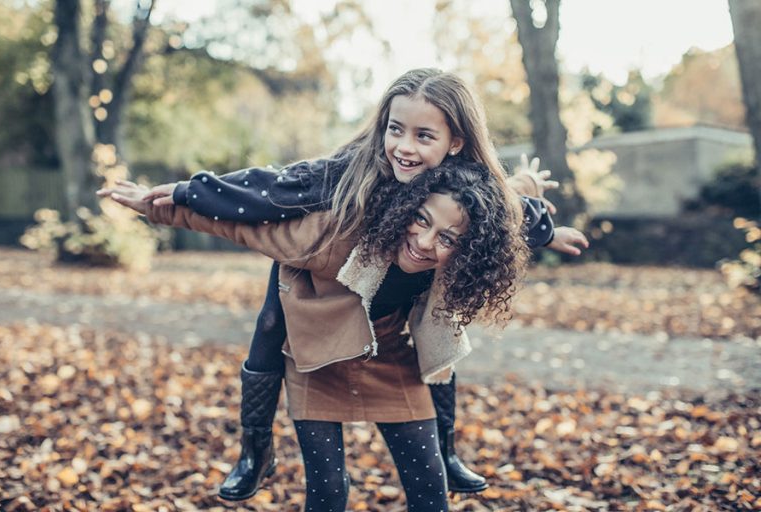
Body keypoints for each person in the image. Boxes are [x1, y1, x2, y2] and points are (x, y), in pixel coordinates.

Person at [132, 67, 588, 499]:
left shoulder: (470, 187)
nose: (404, 147)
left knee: (443, 332)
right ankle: (255, 450)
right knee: (271, 324)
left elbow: (506, 212)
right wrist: (188, 192)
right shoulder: (346, 173)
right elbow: (269, 188)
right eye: (396, 129)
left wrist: (548, 232)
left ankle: (446, 451)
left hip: (386, 322)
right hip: (310, 262)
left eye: (423, 135)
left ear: (455, 142)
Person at [101, 158, 533, 511]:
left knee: (430, 487)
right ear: (407, 208)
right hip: (316, 356)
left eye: (448, 239)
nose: (424, 241)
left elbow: (515, 218)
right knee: (327, 490)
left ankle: (450, 453)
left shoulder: (469, 233)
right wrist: (157, 205)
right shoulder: (331, 238)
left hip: (389, 353)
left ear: (471, 248)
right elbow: (240, 224)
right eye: (420, 220)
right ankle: (255, 450)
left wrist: (545, 214)